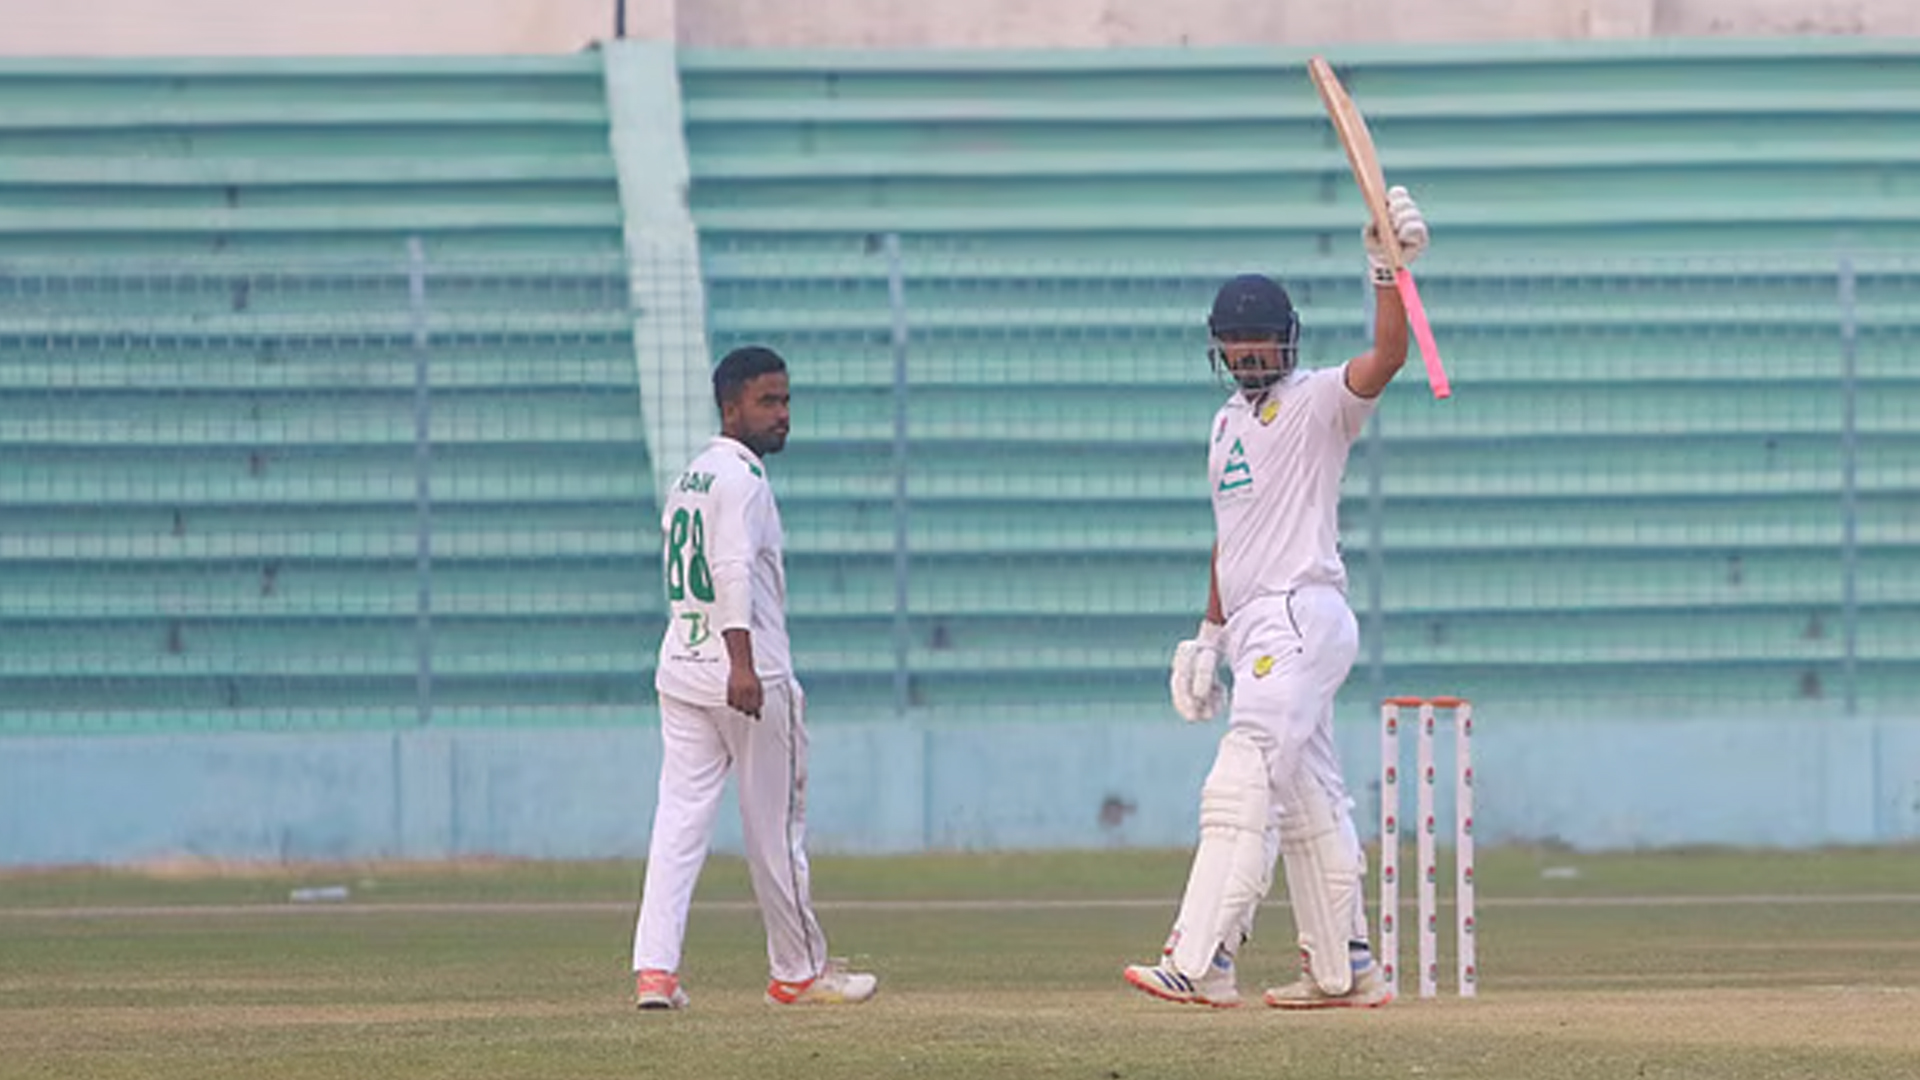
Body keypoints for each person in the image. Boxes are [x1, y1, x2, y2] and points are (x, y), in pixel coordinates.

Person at [1122, 186, 1431, 1010]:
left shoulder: (1319, 402)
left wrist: (1385, 271)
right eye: (1236, 344)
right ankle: (1346, 970)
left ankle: (1202, 960)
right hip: (1257, 621)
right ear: (1218, 349)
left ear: (1287, 341)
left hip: (1301, 611)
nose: (1249, 355)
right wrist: (1207, 635)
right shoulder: (1225, 424)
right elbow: (1233, 537)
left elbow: (1387, 359)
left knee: (1244, 774)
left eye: (1260, 341)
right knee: (1305, 796)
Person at [631, 345, 878, 1011]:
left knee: (678, 822)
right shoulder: (744, 481)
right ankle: (798, 969)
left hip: (681, 669)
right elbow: (734, 570)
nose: (783, 415)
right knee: (776, 827)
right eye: (769, 401)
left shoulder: (692, 477)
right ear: (730, 405)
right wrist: (742, 663)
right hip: (747, 676)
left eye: (788, 401)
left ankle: (655, 972)